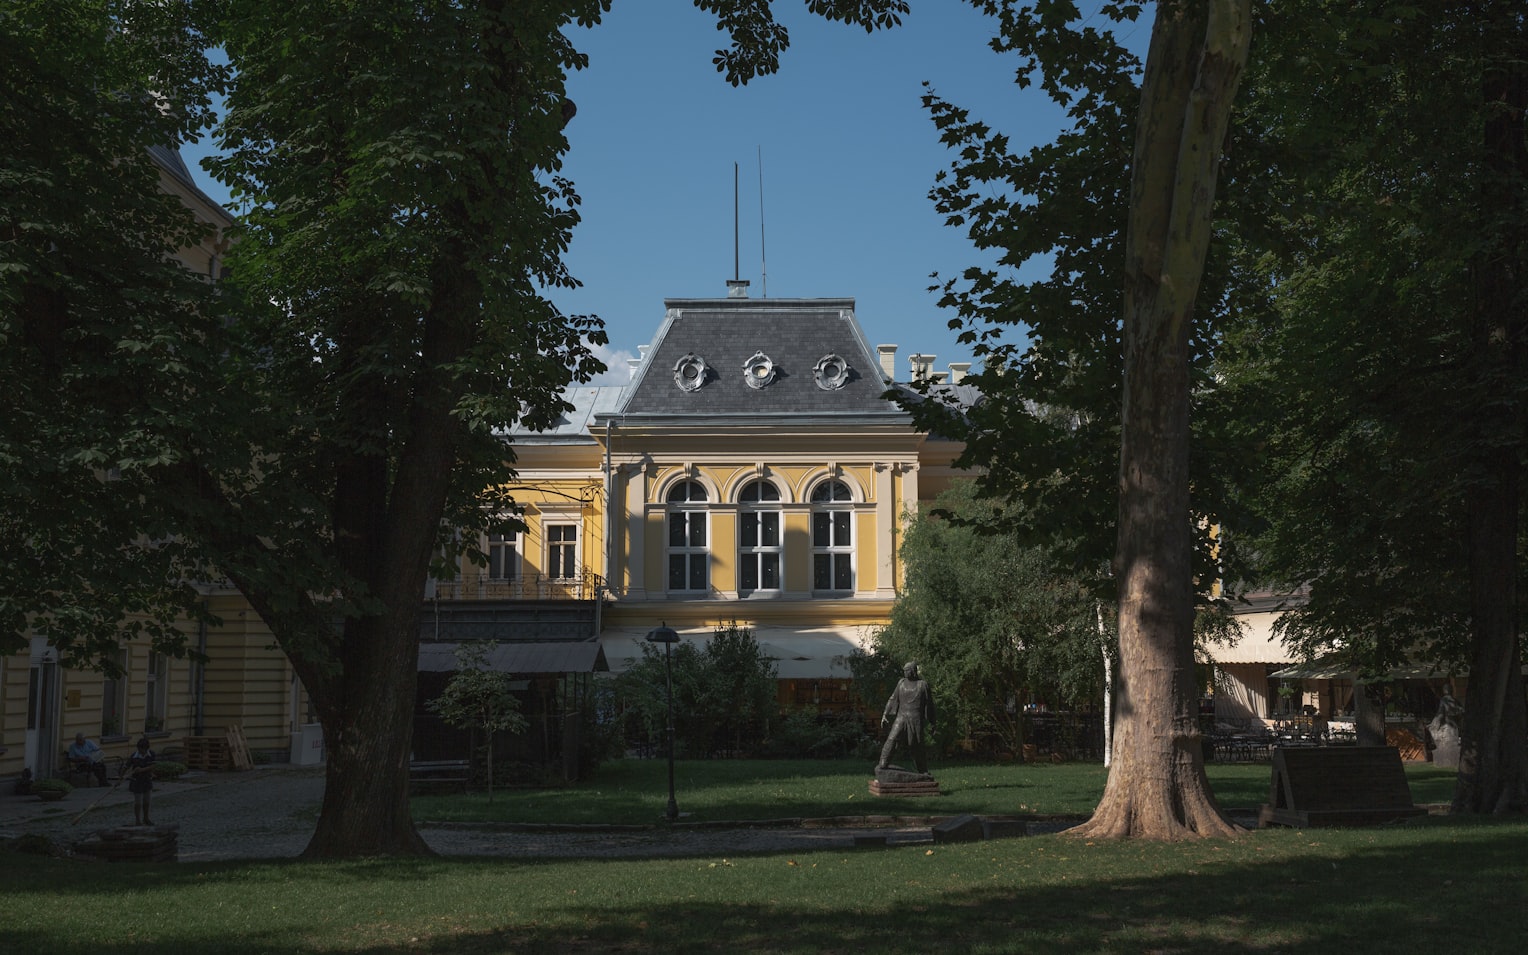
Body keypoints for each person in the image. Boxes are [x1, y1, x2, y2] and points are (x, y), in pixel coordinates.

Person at [877, 661, 936, 774]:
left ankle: (922, 770)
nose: (904, 672)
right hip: (901, 718)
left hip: (916, 720)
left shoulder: (922, 685)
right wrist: (885, 714)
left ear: (913, 671)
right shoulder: (901, 683)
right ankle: (883, 763)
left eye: (907, 670)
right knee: (892, 739)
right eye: (904, 670)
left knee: (917, 746)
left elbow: (929, 705)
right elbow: (893, 698)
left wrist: (933, 722)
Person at [126, 736, 157, 826]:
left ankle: (146, 818)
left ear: (146, 748)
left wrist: (141, 770)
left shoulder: (151, 754)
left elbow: (153, 766)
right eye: (139, 749)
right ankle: (138, 820)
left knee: (147, 801)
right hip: (136, 781)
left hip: (147, 779)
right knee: (138, 802)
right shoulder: (134, 756)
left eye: (142, 750)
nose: (140, 751)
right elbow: (126, 767)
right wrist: (123, 776)